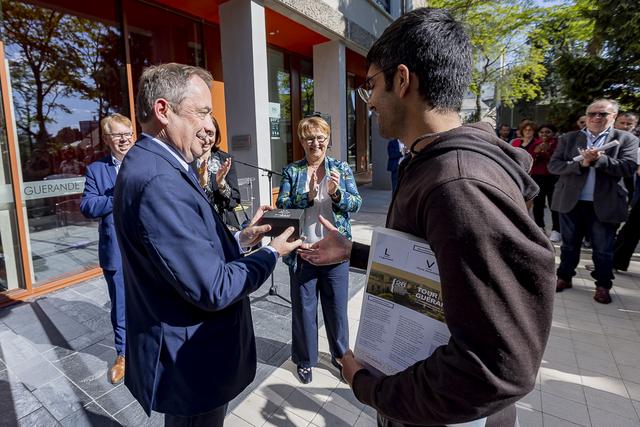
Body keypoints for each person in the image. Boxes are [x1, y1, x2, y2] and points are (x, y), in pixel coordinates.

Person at [299, 8, 555, 427]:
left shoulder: (459, 185)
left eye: (371, 87)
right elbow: (441, 264)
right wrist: (355, 253)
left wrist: (369, 387)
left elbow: (499, 366)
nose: (370, 104)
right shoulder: (433, 163)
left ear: (402, 81)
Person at [112, 63, 302, 425]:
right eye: (201, 112)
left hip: (189, 358)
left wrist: (240, 238)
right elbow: (213, 287)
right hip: (192, 362)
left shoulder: (157, 165)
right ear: (163, 110)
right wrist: (271, 252)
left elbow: (180, 252)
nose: (210, 126)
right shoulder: (158, 180)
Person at [276, 116, 362, 384]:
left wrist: (336, 194)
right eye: (309, 138)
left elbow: (356, 203)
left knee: (336, 309)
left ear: (328, 140)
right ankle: (304, 359)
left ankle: (341, 357)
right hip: (303, 250)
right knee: (304, 309)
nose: (315, 143)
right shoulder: (292, 171)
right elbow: (283, 207)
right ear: (302, 141)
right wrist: (309, 196)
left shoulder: (341, 168)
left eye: (320, 137)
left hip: (336, 251)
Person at [549, 99, 638, 304]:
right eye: (592, 114)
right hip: (571, 201)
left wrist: (599, 160)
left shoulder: (626, 139)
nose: (597, 117)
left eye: (603, 114)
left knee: (603, 248)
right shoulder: (569, 138)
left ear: (613, 116)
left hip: (605, 204)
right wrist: (583, 164)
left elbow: (629, 167)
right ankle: (564, 277)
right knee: (569, 245)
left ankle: (603, 285)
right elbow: (555, 166)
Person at [80, 113, 134, 385]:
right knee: (122, 305)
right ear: (107, 139)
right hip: (116, 251)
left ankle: (153, 347)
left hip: (147, 250)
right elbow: (87, 206)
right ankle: (123, 354)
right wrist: (115, 196)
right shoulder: (96, 170)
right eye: (118, 135)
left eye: (128, 133)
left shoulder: (145, 162)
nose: (125, 139)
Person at [512, 122, 561, 240]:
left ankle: (556, 229)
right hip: (537, 176)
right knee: (538, 202)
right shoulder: (536, 144)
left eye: (548, 132)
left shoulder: (556, 144)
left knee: (553, 203)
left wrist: (548, 152)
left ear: (553, 133)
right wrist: (538, 152)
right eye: (542, 132)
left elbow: (556, 160)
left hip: (552, 176)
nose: (544, 134)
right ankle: (540, 226)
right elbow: (531, 160)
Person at [194, 114, 244, 230]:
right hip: (199, 225)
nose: (206, 139)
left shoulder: (225, 159)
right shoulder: (187, 160)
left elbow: (234, 201)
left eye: (210, 133)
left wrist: (221, 183)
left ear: (216, 135)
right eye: (201, 134)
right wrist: (202, 184)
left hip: (225, 224)